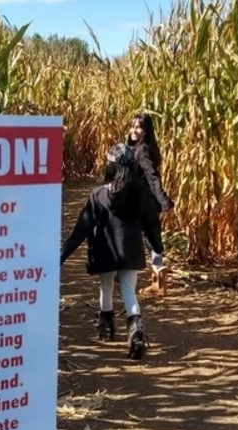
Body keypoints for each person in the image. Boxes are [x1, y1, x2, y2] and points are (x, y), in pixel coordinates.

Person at [60, 143, 163, 361]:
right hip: (130, 250)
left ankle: (106, 327)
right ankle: (136, 332)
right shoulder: (140, 194)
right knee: (128, 290)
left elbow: (82, 227)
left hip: (104, 249)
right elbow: (151, 224)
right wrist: (157, 250)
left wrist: (63, 255)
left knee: (106, 285)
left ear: (110, 166)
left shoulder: (98, 195)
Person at [126, 111, 174, 289]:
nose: (134, 130)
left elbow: (152, 177)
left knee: (131, 236)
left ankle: (125, 276)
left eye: (139, 127)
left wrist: (164, 200)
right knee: (152, 239)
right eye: (132, 126)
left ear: (147, 130)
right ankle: (158, 278)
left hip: (140, 202)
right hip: (148, 202)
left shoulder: (142, 150)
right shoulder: (143, 147)